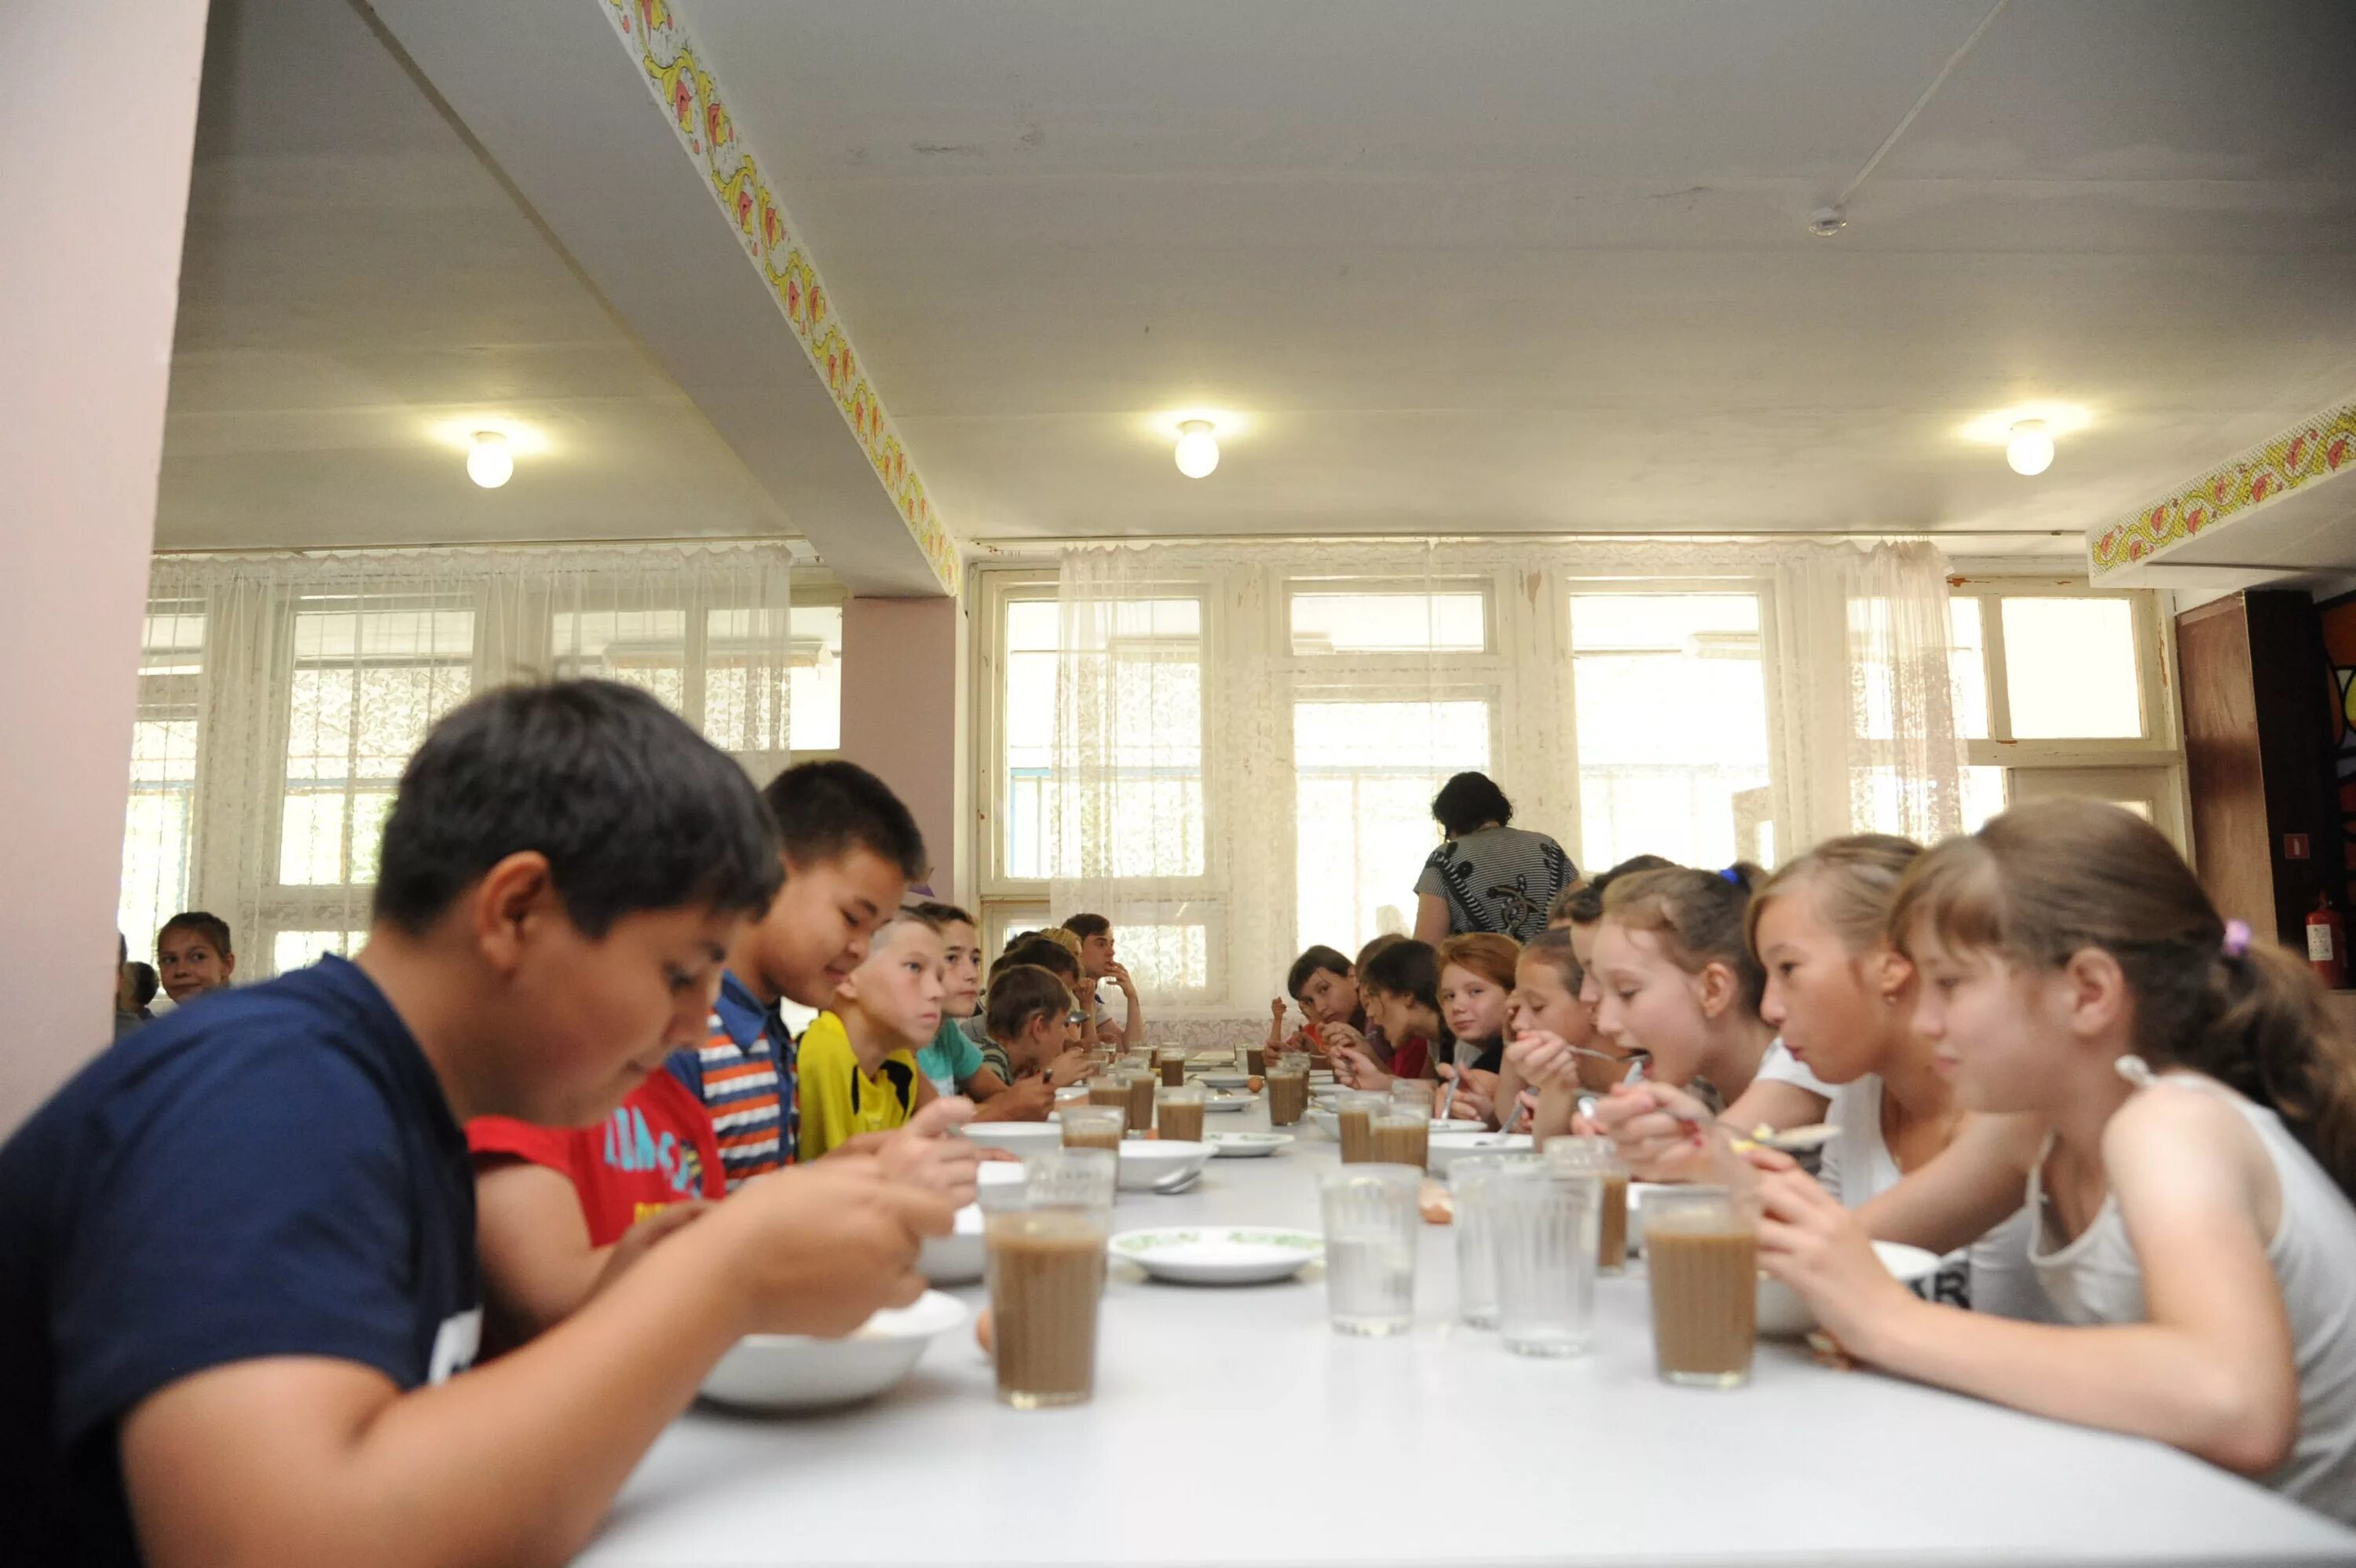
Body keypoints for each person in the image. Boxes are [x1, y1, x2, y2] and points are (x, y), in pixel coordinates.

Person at [0, 679, 957, 1566]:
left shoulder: (405, 1097)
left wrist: (683, 1253)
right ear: (516, 909)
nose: (699, 1023)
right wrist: (727, 1275)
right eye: (679, 970)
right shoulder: (272, 1088)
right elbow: (281, 1540)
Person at [1753, 802, 2356, 1521]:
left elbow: (2237, 1404)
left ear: (2090, 991)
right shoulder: (2037, 1130)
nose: (1923, 1020)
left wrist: (1893, 1326)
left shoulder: (2170, 1124)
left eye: (1951, 984)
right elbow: (1855, 1251)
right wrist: (1716, 1179)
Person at [1590, 836, 2045, 1318]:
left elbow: (1834, 1254)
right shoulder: (1857, 1092)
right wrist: (1702, 1154)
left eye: (1789, 969)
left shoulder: (2010, 1107)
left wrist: (1713, 1159)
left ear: (1888, 964)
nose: (1770, 1007)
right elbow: (1826, 1260)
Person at [678, 759, 926, 1190]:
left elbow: (748, 1191)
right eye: (852, 918)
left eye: (877, 931)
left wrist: (825, 1175)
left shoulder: (771, 1031)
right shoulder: (681, 1033)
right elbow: (664, 1230)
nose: (861, 950)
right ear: (772, 871)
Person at [1583, 864, 1783, 1114]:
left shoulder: (1799, 1066)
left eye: (1627, 992)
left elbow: (1726, 1145)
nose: (1604, 1023)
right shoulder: (1694, 1083)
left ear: (1713, 989)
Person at [797, 913, 947, 1161]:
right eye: (914, 967)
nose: (938, 991)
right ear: (847, 977)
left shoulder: (900, 1064)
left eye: (939, 976)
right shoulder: (824, 1050)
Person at [1412, 771, 1575, 945]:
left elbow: (1427, 945)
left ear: (1451, 821)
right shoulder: (1547, 846)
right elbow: (1587, 911)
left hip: (1479, 969)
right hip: (1550, 967)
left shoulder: (1444, 859)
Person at [1502, 927, 1615, 1140]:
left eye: (1537, 1006)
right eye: (1517, 1007)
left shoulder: (1641, 1081)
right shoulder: (1562, 1075)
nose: (1518, 1023)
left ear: (1593, 1002)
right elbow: (1517, 1126)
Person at [1330, 939, 1451, 1091]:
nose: (1370, 1013)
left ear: (1407, 994)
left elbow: (1458, 1105)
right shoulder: (1434, 1040)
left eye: (1374, 995)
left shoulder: (1464, 1037)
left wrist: (1386, 1083)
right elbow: (1430, 1093)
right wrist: (1376, 1080)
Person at [1434, 933, 1519, 1124]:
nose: (1457, 1007)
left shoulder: (1517, 1046)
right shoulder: (1466, 1049)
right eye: (1449, 996)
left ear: (1514, 993)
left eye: (1475, 991)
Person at [979, 964, 1089, 1104]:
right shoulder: (990, 1057)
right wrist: (1049, 1079)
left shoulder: (1021, 1067)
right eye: (1063, 1024)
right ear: (1039, 1027)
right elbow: (992, 1112)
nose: (1065, 1035)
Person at [1267, 944, 1367, 1058]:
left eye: (1324, 989)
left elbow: (1387, 1074)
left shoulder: (1380, 1018)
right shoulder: (1342, 1028)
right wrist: (1295, 1057)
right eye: (1309, 1001)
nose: (1320, 1008)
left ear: (1352, 977)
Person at [1063, 913, 1143, 1048]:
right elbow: (1080, 1055)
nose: (1111, 952)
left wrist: (1132, 996)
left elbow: (1128, 1047)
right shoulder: (1064, 996)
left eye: (1111, 944)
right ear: (1076, 949)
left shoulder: (1090, 998)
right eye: (1101, 944)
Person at [155, 911, 236, 1006]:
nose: (180, 971)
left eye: (198, 957)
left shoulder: (249, 1018)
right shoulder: (174, 1020)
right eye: (170, 960)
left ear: (227, 965)